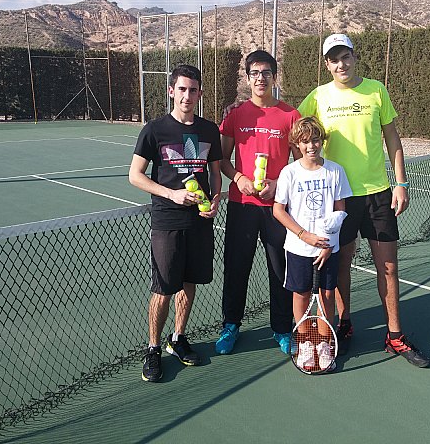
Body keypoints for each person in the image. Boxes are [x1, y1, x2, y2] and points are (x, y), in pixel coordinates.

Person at [297, 33, 429, 366]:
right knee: (341, 266)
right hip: (337, 199)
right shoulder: (317, 97)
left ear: (355, 58)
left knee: (388, 267)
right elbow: (294, 134)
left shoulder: (376, 90)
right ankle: (344, 324)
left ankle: (395, 336)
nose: (340, 64)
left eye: (345, 57)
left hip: (377, 195)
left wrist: (401, 183)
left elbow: (393, 140)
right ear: (327, 65)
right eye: (333, 59)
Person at [129, 64, 222, 382]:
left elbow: (215, 172)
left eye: (193, 90)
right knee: (163, 288)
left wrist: (215, 200)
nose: (187, 95)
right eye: (181, 89)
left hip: (199, 221)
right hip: (167, 221)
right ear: (171, 91)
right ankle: (153, 347)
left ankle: (178, 339)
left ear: (199, 93)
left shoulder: (209, 131)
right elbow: (135, 176)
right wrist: (172, 194)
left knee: (189, 283)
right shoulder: (154, 130)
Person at [216, 50, 301, 355]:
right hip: (242, 206)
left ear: (274, 76)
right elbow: (222, 160)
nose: (260, 78)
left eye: (266, 72)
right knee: (236, 268)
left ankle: (281, 328)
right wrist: (239, 179)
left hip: (278, 209)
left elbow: (301, 164)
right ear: (247, 77)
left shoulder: (291, 116)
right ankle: (231, 325)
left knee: (280, 270)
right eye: (255, 73)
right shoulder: (236, 115)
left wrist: (279, 185)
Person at [273, 116, 352, 372]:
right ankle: (306, 341)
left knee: (328, 294)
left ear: (322, 141)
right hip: (299, 248)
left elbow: (340, 211)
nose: (311, 146)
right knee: (301, 294)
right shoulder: (289, 172)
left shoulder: (335, 171)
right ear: (297, 143)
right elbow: (279, 210)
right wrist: (303, 235)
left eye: (315, 140)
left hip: (329, 249)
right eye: (305, 141)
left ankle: (324, 342)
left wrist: (329, 245)